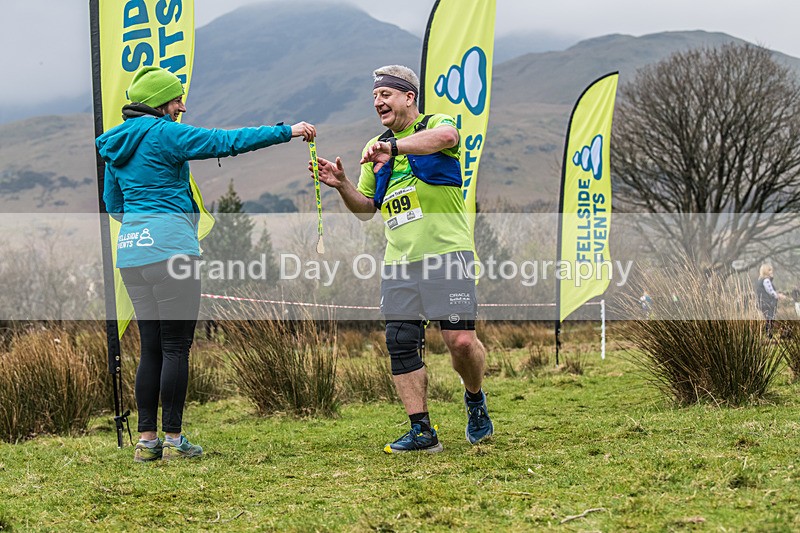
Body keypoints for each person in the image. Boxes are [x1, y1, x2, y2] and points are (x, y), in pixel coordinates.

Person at [96, 66, 316, 462]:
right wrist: (288, 131)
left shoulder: (115, 144)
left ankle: (146, 441)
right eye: (176, 99)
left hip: (132, 252)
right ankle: (175, 439)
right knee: (176, 347)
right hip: (172, 251)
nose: (182, 107)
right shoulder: (164, 133)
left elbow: (114, 205)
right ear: (159, 102)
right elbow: (225, 141)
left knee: (151, 348)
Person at [313, 65, 493, 453]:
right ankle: (422, 431)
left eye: (386, 95)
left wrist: (394, 148)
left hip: (448, 255)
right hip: (399, 262)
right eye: (375, 97)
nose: (378, 102)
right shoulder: (374, 147)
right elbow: (366, 209)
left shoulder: (435, 124)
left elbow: (448, 137)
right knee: (400, 341)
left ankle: (475, 398)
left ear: (409, 97)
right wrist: (341, 184)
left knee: (461, 342)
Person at [755, 263, 787, 338]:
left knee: (769, 320)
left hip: (763, 303)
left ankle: (769, 335)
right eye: (769, 270)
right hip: (768, 303)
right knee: (770, 319)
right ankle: (769, 335)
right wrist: (779, 296)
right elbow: (771, 291)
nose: (771, 271)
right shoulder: (766, 280)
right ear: (765, 271)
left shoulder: (760, 280)